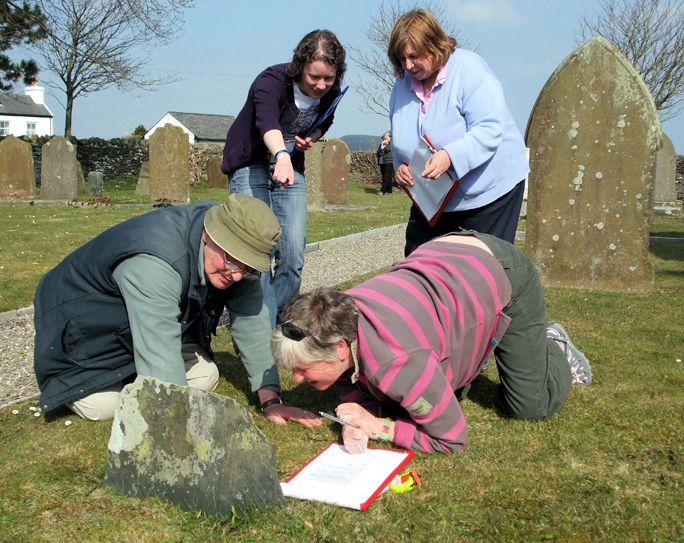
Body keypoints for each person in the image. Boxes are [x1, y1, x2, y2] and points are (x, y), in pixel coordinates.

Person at [271, 232, 592, 454]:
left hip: (503, 269)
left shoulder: (397, 362)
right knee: (412, 399)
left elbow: (451, 438)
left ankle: (553, 345)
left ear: (340, 349)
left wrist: (380, 427)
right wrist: (357, 417)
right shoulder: (336, 315)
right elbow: (352, 377)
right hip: (447, 257)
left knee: (528, 406)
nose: (296, 379)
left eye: (302, 369)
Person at [33, 193, 321, 428]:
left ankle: (140, 379)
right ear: (209, 236)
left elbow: (252, 323)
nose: (235, 274)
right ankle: (129, 381)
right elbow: (158, 339)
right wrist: (180, 423)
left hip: (136, 329)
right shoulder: (155, 263)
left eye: (246, 266)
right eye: (232, 260)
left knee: (205, 376)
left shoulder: (233, 255)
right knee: (101, 406)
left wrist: (270, 399)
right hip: (85, 336)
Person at [222, 29, 347, 327]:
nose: (321, 85)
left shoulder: (331, 89)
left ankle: (280, 320)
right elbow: (266, 120)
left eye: (328, 78)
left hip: (290, 166)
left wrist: (310, 137)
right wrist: (281, 155)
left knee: (292, 250)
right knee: (256, 247)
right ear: (300, 65)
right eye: (314, 77)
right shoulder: (270, 81)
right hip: (250, 163)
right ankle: (259, 327)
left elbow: (325, 120)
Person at [387, 9, 529, 256]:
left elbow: (489, 128)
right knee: (418, 262)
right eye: (401, 59)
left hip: (489, 192)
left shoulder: (468, 69)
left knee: (482, 269)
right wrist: (401, 168)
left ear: (434, 45)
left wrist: (449, 157)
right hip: (432, 199)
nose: (408, 66)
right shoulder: (401, 87)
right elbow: (400, 138)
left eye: (414, 56)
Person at [375, 131, 394, 195]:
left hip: (389, 161)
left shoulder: (391, 144)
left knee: (387, 176)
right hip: (382, 162)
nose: (389, 137)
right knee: (384, 176)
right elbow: (378, 153)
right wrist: (382, 146)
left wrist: (382, 148)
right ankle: (389, 190)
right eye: (388, 135)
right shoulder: (382, 144)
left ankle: (382, 190)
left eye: (389, 136)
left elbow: (384, 151)